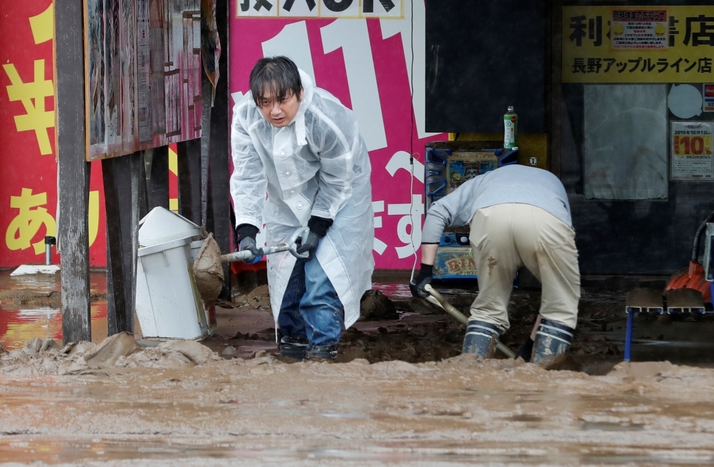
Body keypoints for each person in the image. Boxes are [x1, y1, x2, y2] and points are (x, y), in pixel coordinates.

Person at [230, 56, 374, 361]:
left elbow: (338, 179)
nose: (275, 111)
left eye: (283, 100)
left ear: (299, 93)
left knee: (323, 275)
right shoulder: (245, 119)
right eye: (265, 102)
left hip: (342, 195)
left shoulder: (327, 119)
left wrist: (318, 226)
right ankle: (293, 349)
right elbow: (247, 175)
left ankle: (322, 353)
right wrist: (247, 230)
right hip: (285, 200)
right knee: (285, 277)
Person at [409, 164, 580, 364]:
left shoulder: (482, 181)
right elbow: (554, 299)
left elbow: (437, 212)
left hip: (491, 220)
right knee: (560, 308)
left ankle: (471, 379)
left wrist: (425, 272)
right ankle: (543, 382)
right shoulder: (552, 181)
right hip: (546, 220)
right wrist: (529, 348)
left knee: (487, 311)